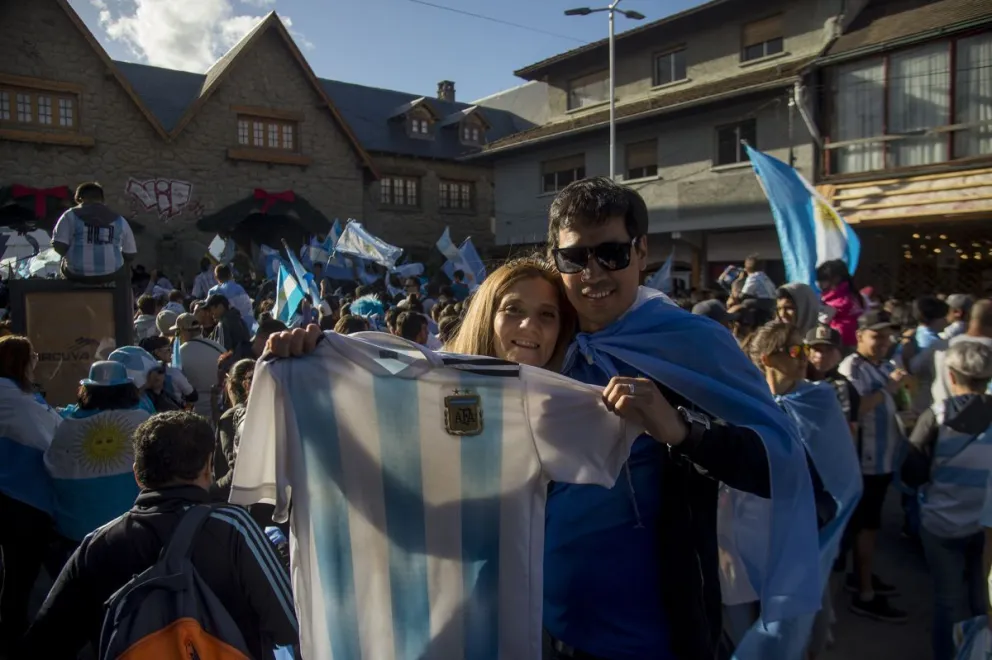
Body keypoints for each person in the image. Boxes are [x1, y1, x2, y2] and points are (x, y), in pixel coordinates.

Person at [20, 411, 299, 658]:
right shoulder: (234, 528)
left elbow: (44, 644)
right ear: (208, 468)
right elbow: (289, 625)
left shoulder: (98, 544)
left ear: (137, 476)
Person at [741, 321, 861, 659]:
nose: (803, 357)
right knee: (755, 611)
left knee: (806, 612)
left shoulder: (819, 399)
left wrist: (817, 515)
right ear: (768, 359)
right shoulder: (747, 404)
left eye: (804, 350)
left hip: (809, 527)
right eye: (795, 350)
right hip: (756, 530)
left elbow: (843, 472)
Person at [901, 341, 992, 660]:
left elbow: (912, 472)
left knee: (947, 599)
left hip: (942, 523)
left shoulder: (936, 415)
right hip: (986, 526)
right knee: (984, 598)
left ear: (951, 376)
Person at [838, 309, 910, 622]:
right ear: (860, 336)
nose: (883, 342)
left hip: (884, 459)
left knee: (868, 527)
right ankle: (864, 592)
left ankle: (861, 575)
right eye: (876, 336)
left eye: (887, 336)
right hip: (863, 462)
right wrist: (888, 391)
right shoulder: (851, 367)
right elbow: (856, 408)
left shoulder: (888, 364)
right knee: (865, 527)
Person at [44, 361, 150, 547]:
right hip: (132, 529)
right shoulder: (142, 420)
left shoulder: (68, 425)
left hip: (76, 531)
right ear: (128, 389)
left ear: (87, 390)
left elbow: (53, 468)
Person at [0, 336, 62, 652]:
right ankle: (15, 638)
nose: (37, 361)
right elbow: (53, 443)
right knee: (20, 578)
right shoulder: (21, 403)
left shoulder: (14, 398)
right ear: (20, 363)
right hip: (24, 501)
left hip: (10, 496)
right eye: (33, 356)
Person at [447, 258, 573, 369]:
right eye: (513, 309)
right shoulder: (436, 389)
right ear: (485, 317)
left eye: (546, 314)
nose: (529, 326)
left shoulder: (581, 395)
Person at [51, 182, 137, 284]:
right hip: (111, 274)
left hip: (76, 274)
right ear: (102, 199)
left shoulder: (69, 215)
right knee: (125, 268)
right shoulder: (119, 220)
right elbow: (130, 254)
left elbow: (58, 245)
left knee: (64, 264)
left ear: (79, 198)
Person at [211, 358, 255, 504]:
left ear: (230, 385)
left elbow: (237, 471)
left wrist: (211, 491)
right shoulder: (268, 410)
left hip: (239, 504)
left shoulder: (231, 417)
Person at [806, 324, 860, 438]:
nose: (821, 355)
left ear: (839, 354)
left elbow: (850, 429)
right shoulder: (796, 381)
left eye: (829, 350)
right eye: (816, 349)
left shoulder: (845, 387)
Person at [173, 313, 225, 422]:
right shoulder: (218, 347)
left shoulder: (180, 354)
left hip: (196, 412)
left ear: (182, 331)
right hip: (220, 407)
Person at [817, 260, 864, 348]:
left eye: (823, 279)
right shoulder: (854, 295)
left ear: (836, 279)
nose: (819, 283)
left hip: (839, 343)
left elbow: (822, 321)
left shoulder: (835, 300)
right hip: (857, 341)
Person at [208, 264, 255, 329]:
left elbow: (208, 312)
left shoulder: (214, 291)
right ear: (230, 275)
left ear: (216, 278)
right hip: (250, 327)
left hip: (231, 330)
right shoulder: (240, 288)